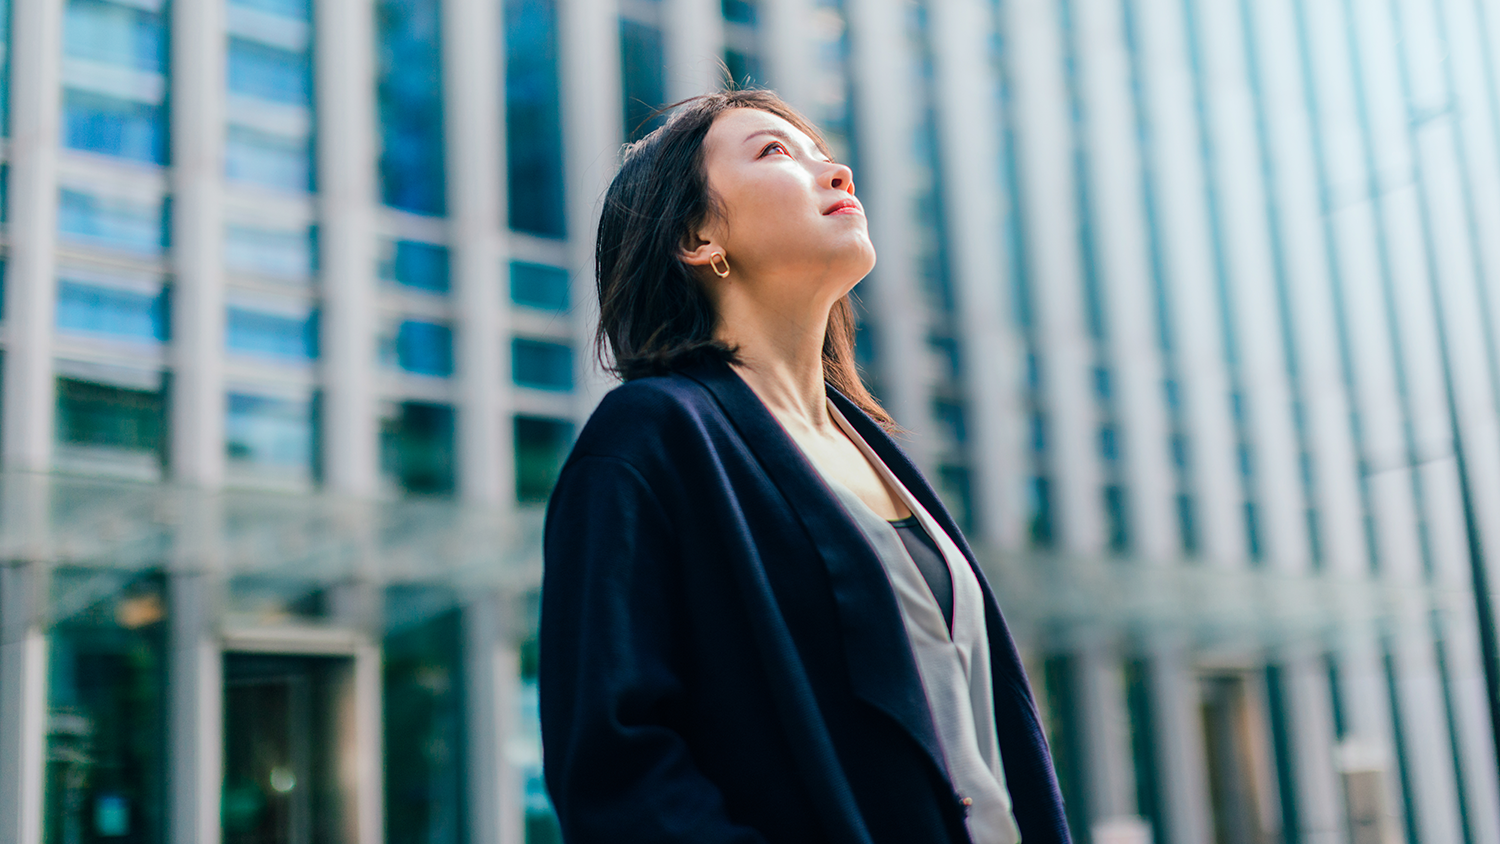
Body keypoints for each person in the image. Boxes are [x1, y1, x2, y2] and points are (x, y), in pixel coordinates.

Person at [539, 89, 1071, 844]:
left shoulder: (871, 447)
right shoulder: (649, 440)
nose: (837, 172)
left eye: (823, 153)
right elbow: (617, 770)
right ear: (696, 234)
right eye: (777, 153)